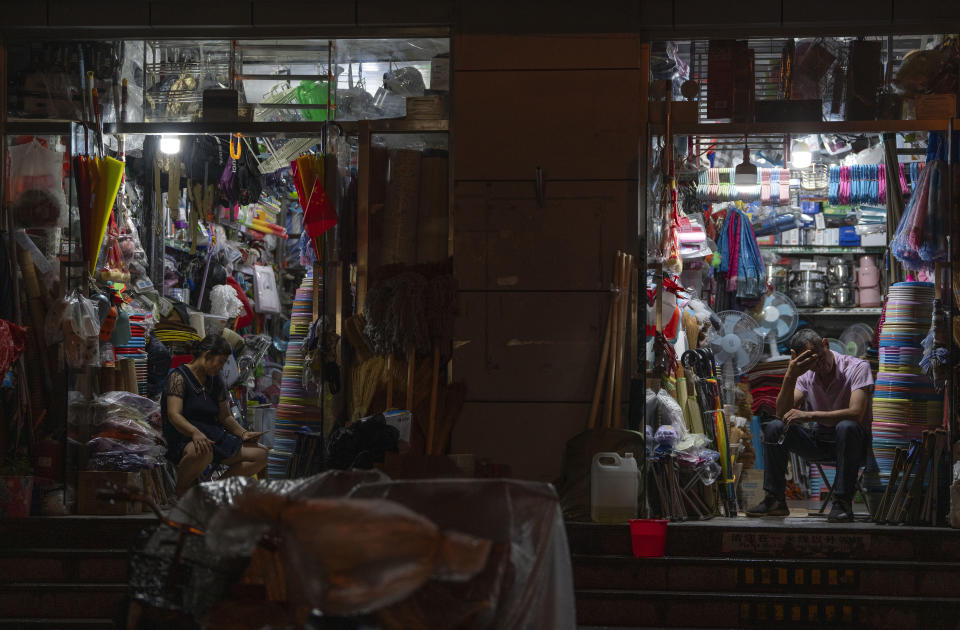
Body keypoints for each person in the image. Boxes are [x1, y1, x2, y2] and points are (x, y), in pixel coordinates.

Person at [746, 329, 873, 522]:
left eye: (820, 357)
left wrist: (808, 415)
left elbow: (856, 414)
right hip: (821, 440)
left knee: (846, 427)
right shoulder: (805, 376)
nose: (820, 366)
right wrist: (790, 374)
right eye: (812, 362)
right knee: (774, 427)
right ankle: (775, 500)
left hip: (854, 445)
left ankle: (842, 503)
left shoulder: (856, 367)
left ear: (826, 344)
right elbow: (781, 414)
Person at [162, 334, 268, 496]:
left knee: (261, 454)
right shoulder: (178, 377)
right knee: (203, 450)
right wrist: (195, 433)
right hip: (184, 437)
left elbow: (224, 417)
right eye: (220, 362)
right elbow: (174, 414)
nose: (221, 368)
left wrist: (244, 433)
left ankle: (212, 493)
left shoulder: (215, 379)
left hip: (212, 435)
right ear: (207, 355)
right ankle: (180, 491)